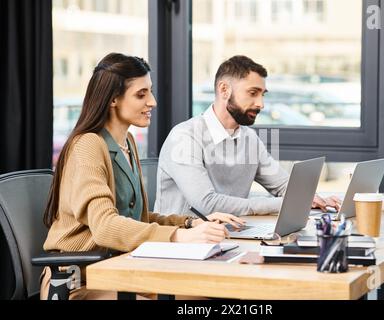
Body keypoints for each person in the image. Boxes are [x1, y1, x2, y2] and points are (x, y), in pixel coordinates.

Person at [41, 53, 244, 300]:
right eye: (141, 94)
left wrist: (190, 223)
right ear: (113, 98)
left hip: (124, 271)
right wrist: (179, 237)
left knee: (219, 295)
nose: (153, 102)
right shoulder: (88, 145)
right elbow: (106, 226)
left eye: (150, 91)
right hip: (80, 281)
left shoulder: (126, 143)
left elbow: (135, 217)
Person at [155, 55, 341, 217]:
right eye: (252, 93)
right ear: (224, 90)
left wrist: (313, 199)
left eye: (262, 95)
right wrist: (286, 203)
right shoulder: (185, 137)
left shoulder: (249, 138)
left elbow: (282, 185)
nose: (260, 104)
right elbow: (207, 204)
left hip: (229, 234)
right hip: (182, 243)